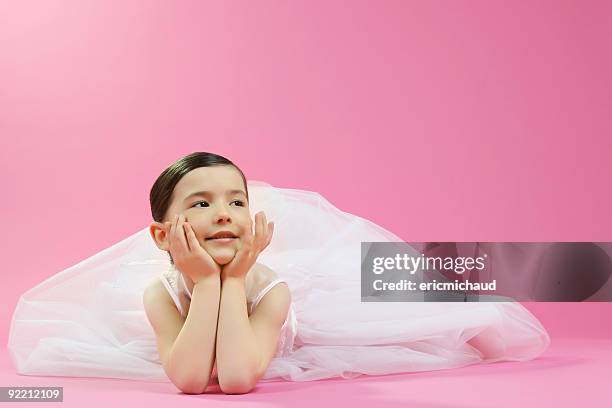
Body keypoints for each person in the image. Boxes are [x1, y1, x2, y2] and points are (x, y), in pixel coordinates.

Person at [8, 152, 551, 394]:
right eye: (198, 204)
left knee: (426, 303)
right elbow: (193, 380)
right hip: (204, 294)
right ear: (161, 235)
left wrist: (233, 278)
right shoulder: (156, 295)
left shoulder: (274, 292)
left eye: (235, 201)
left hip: (306, 309)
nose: (222, 213)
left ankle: (525, 269)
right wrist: (206, 282)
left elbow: (239, 377)